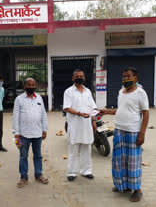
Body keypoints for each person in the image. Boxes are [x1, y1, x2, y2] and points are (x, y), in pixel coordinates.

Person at [99, 67, 149, 202]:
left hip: (133, 131)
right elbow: (120, 110)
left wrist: (142, 134)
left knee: (133, 162)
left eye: (129, 76)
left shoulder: (140, 93)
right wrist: (106, 111)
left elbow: (145, 114)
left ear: (135, 78)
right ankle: (123, 185)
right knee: (119, 161)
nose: (126, 78)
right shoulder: (121, 92)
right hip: (119, 131)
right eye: (124, 76)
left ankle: (137, 190)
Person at [12, 78, 49, 188]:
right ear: (25, 86)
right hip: (23, 134)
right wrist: (16, 132)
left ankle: (38, 174)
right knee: (23, 156)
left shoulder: (39, 98)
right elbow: (15, 116)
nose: (31, 87)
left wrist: (45, 129)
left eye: (33, 85)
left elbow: (43, 114)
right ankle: (23, 177)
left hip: (37, 132)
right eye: (29, 85)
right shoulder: (19, 99)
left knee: (38, 155)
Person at [63, 69, 97, 182]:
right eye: (77, 76)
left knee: (86, 149)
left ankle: (86, 171)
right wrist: (78, 113)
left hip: (87, 126)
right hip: (74, 126)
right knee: (73, 150)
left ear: (84, 78)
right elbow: (67, 107)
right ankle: (71, 172)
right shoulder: (68, 91)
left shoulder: (88, 92)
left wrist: (94, 121)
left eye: (81, 76)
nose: (79, 78)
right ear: (73, 78)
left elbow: (93, 108)